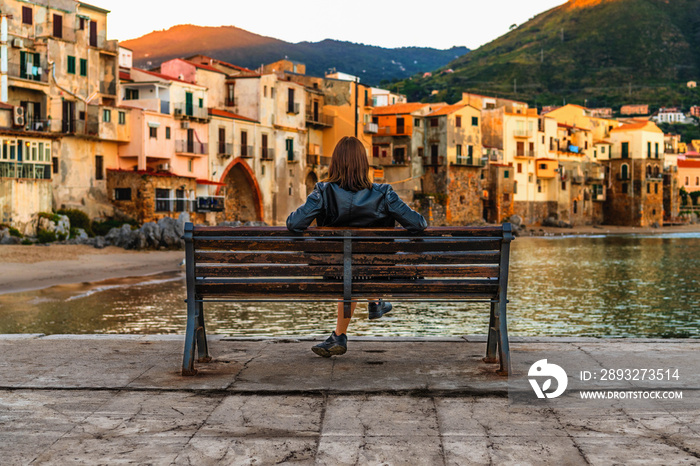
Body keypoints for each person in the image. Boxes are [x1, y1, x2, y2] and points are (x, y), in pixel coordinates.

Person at [286, 136, 427, 357]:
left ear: (335, 163)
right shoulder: (384, 193)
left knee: (350, 269)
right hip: (375, 270)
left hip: (332, 271)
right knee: (359, 266)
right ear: (364, 164)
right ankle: (374, 300)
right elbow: (418, 224)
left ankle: (344, 331)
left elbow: (294, 223)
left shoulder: (322, 191)